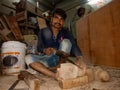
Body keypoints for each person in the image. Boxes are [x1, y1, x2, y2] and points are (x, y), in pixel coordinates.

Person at [25, 8, 86, 80]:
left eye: (61, 19)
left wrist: (80, 58)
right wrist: (44, 50)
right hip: (47, 59)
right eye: (56, 18)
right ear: (51, 19)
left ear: (63, 22)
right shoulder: (43, 31)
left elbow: (74, 45)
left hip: (60, 60)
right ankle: (55, 75)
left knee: (66, 42)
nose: (58, 21)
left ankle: (57, 68)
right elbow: (39, 47)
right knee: (27, 58)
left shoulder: (66, 32)